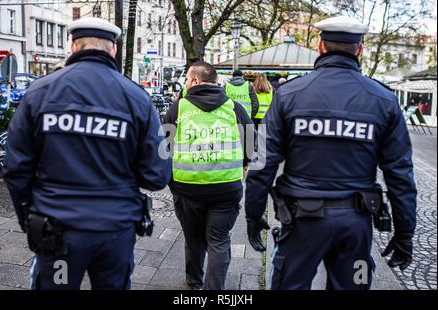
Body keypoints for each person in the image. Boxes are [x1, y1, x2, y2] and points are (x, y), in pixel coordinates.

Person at [245, 15, 417, 290]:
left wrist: (253, 214)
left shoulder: (290, 94)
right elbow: (400, 174)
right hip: (356, 227)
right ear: (360, 50)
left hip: (301, 223)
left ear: (320, 46)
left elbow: (262, 161)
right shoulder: (383, 100)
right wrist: (405, 232)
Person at [3, 17, 171, 290]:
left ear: (72, 45)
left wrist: (29, 218)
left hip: (57, 233)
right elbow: (158, 174)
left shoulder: (40, 92)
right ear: (113, 50)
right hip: (115, 234)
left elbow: (15, 166)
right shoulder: (136, 98)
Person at [163, 61, 253, 290]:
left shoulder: (177, 108)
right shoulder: (235, 108)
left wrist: (171, 182)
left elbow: (163, 150)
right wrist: (240, 167)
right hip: (226, 188)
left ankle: (194, 284)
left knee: (193, 238)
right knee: (219, 240)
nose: (185, 84)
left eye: (186, 80)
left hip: (187, 189)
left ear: (194, 81)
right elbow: (252, 148)